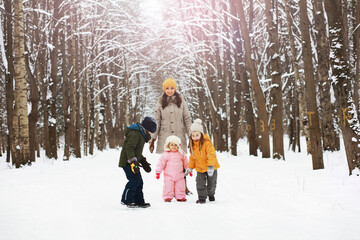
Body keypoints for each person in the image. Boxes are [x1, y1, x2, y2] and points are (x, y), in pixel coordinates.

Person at [149, 78, 192, 194]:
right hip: (166, 137)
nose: (169, 90)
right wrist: (153, 138)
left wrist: (191, 136)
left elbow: (187, 119)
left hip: (179, 136)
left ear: (175, 88)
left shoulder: (181, 102)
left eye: (171, 88)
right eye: (167, 88)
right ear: (164, 89)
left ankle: (184, 187)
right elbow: (156, 121)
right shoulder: (160, 102)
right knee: (169, 164)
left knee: (181, 162)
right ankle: (170, 189)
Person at [118, 116, 157, 208]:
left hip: (132, 161)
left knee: (139, 181)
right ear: (147, 129)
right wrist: (133, 162)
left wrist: (143, 160)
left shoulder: (141, 135)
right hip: (127, 162)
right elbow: (129, 148)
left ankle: (139, 201)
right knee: (134, 180)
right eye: (151, 132)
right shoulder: (135, 133)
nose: (151, 134)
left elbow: (136, 151)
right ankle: (127, 200)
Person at [184, 119, 220, 204]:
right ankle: (202, 198)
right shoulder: (192, 146)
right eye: (193, 135)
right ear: (190, 136)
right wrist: (190, 167)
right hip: (200, 168)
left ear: (201, 134)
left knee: (211, 185)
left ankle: (211, 195)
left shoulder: (207, 143)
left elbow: (211, 154)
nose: (195, 137)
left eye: (197, 135)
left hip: (211, 167)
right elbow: (192, 158)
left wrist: (210, 166)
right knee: (200, 184)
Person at [155, 135, 191, 202]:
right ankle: (167, 197)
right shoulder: (166, 154)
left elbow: (186, 162)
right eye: (172, 145)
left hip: (179, 175)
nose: (174, 146)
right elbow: (161, 163)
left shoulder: (181, 153)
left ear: (178, 145)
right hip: (169, 176)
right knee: (168, 186)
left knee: (180, 186)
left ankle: (180, 196)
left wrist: (189, 169)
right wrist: (158, 172)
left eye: (175, 145)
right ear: (168, 145)